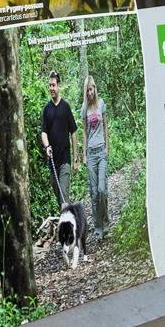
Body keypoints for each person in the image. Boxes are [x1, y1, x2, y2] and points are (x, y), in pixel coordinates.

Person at [39, 70, 76, 214]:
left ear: (58, 86)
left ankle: (67, 231)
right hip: (53, 160)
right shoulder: (46, 109)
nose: (51, 88)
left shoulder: (65, 107)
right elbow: (43, 132)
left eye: (53, 85)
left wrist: (76, 158)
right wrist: (47, 146)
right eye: (49, 85)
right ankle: (71, 214)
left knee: (63, 195)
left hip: (65, 160)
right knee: (58, 192)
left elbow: (73, 132)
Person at [82, 78, 110, 231]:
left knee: (101, 189)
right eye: (87, 90)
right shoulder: (84, 109)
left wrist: (107, 148)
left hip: (101, 152)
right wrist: (84, 154)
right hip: (91, 154)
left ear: (94, 89)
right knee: (93, 193)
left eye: (91, 89)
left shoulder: (101, 104)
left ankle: (105, 222)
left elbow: (106, 126)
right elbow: (85, 133)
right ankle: (98, 227)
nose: (89, 93)